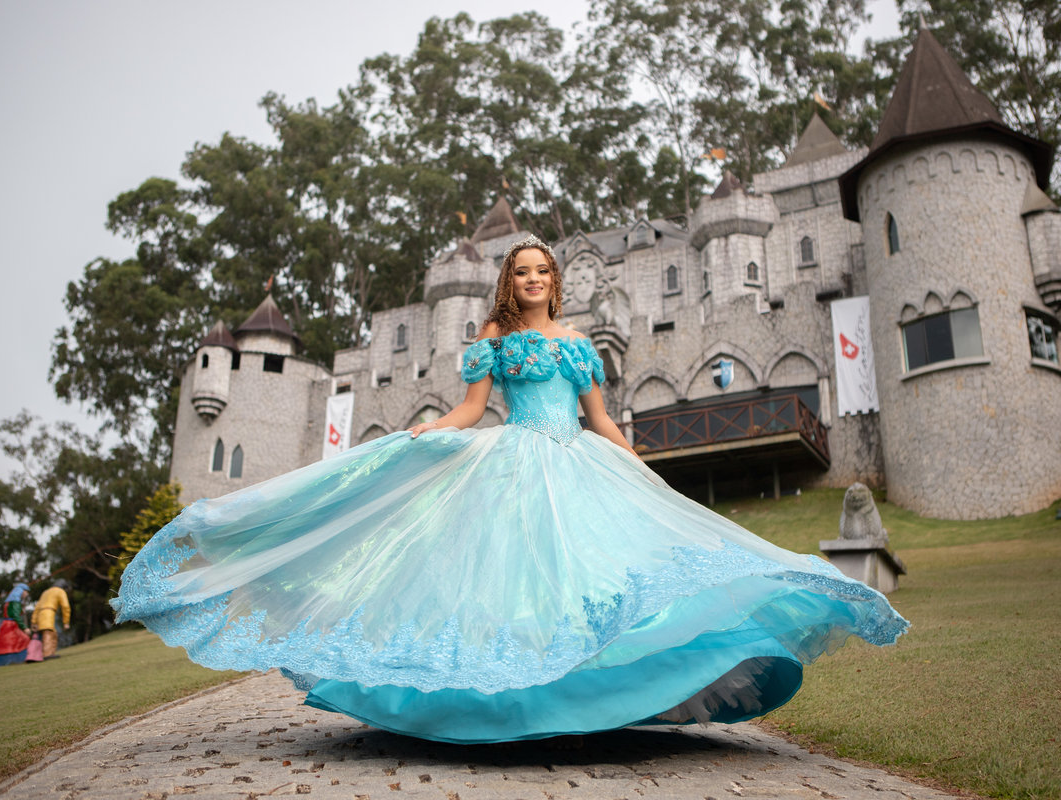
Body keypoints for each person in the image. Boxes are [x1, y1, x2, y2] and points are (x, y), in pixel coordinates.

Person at [113, 234, 908, 744]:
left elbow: (602, 421)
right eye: (521, 271)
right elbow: (470, 410)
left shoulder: (578, 346)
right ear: (508, 283)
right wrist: (430, 432)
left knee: (596, 578)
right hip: (513, 459)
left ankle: (590, 699)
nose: (532, 280)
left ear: (556, 282)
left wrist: (642, 473)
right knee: (507, 581)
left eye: (542, 271)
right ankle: (507, 701)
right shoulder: (495, 339)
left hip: (579, 463)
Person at [0, 582, 32, 666]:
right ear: (21, 591)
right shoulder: (15, 602)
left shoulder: (9, 602)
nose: (27, 594)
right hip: (11, 625)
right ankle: (18, 659)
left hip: (6, 624)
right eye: (26, 591)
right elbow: (16, 615)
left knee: (5, 642)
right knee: (23, 639)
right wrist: (24, 627)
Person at [32, 579, 71, 659]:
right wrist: (66, 622)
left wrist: (34, 621)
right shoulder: (60, 591)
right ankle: (47, 654)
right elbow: (65, 607)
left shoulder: (45, 592)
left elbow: (37, 607)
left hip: (40, 614)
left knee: (53, 634)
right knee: (48, 633)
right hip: (48, 613)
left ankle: (51, 653)